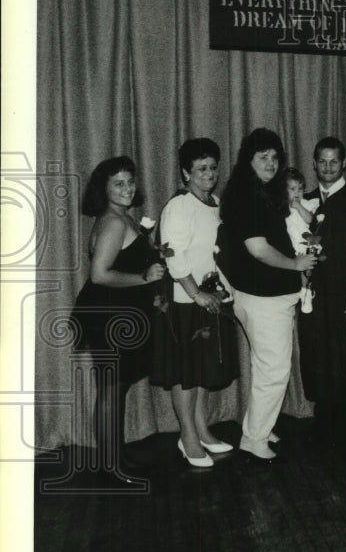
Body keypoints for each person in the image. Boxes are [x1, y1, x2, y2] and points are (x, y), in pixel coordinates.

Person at [219, 128, 317, 462]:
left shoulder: (259, 192)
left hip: (268, 296)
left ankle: (260, 425)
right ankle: (254, 437)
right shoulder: (246, 196)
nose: (271, 163)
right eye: (263, 157)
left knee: (266, 368)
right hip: (263, 298)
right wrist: (296, 263)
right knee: (275, 370)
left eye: (275, 157)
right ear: (249, 159)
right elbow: (258, 250)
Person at [72, 156, 165, 486]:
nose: (128, 188)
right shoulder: (112, 222)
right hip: (109, 317)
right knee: (112, 391)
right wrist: (144, 276)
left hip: (114, 315)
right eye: (119, 183)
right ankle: (112, 466)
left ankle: (115, 458)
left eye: (131, 181)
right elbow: (99, 275)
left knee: (115, 389)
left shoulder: (116, 217)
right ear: (105, 189)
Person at [151, 138, 239, 468]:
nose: (209, 173)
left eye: (213, 167)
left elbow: (214, 255)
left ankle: (202, 429)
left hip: (210, 299)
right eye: (201, 168)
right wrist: (197, 294)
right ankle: (187, 436)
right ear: (186, 172)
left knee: (202, 371)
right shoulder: (179, 206)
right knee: (185, 374)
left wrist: (220, 291)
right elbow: (175, 258)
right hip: (185, 303)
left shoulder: (214, 203)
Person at [298, 137, 346, 452]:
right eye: (322, 161)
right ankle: (324, 423)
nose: (327, 167)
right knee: (319, 354)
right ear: (314, 163)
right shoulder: (304, 201)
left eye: (334, 161)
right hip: (316, 297)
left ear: (344, 163)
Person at [281, 167, 320, 311]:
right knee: (297, 270)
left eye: (300, 189)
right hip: (289, 243)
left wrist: (298, 206)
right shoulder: (281, 206)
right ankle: (303, 292)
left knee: (306, 268)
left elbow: (310, 219)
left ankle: (307, 293)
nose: (297, 193)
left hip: (303, 241)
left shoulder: (304, 204)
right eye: (292, 189)